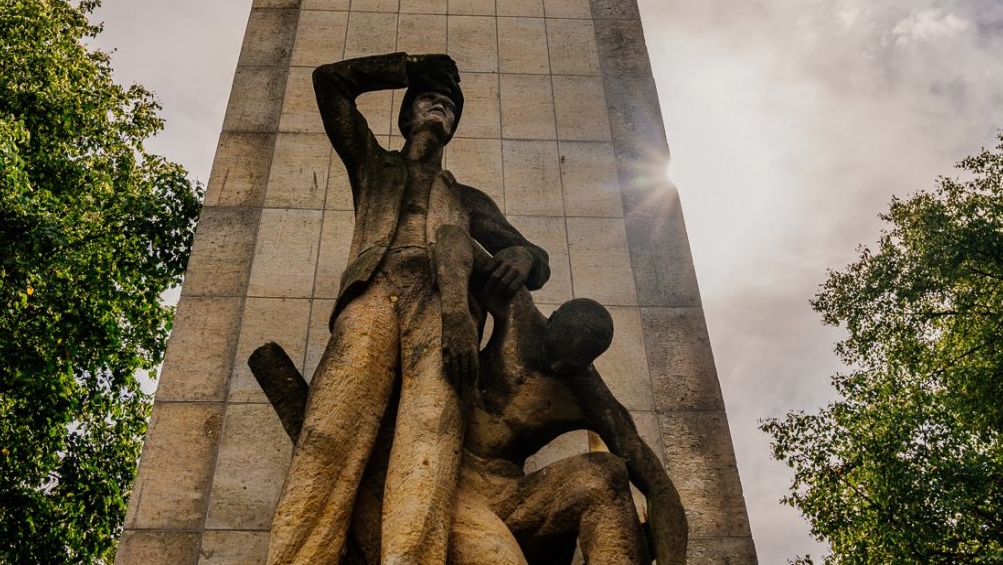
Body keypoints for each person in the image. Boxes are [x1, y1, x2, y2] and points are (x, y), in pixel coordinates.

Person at [264, 52, 551, 565]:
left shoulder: (468, 197)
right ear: (408, 113)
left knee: (429, 441)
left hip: (443, 307)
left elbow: (537, 260)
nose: (441, 108)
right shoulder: (373, 164)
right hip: (372, 294)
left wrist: (523, 255)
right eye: (430, 100)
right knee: (328, 431)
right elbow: (329, 82)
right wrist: (409, 67)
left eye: (449, 107)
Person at [438, 234, 689, 565]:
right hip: (445, 463)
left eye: (569, 364)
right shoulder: (518, 313)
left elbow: (660, 488)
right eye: (553, 352)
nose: (555, 367)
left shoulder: (589, 396)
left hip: (501, 492)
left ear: (588, 361)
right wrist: (455, 312)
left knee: (607, 474)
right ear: (552, 318)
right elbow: (452, 237)